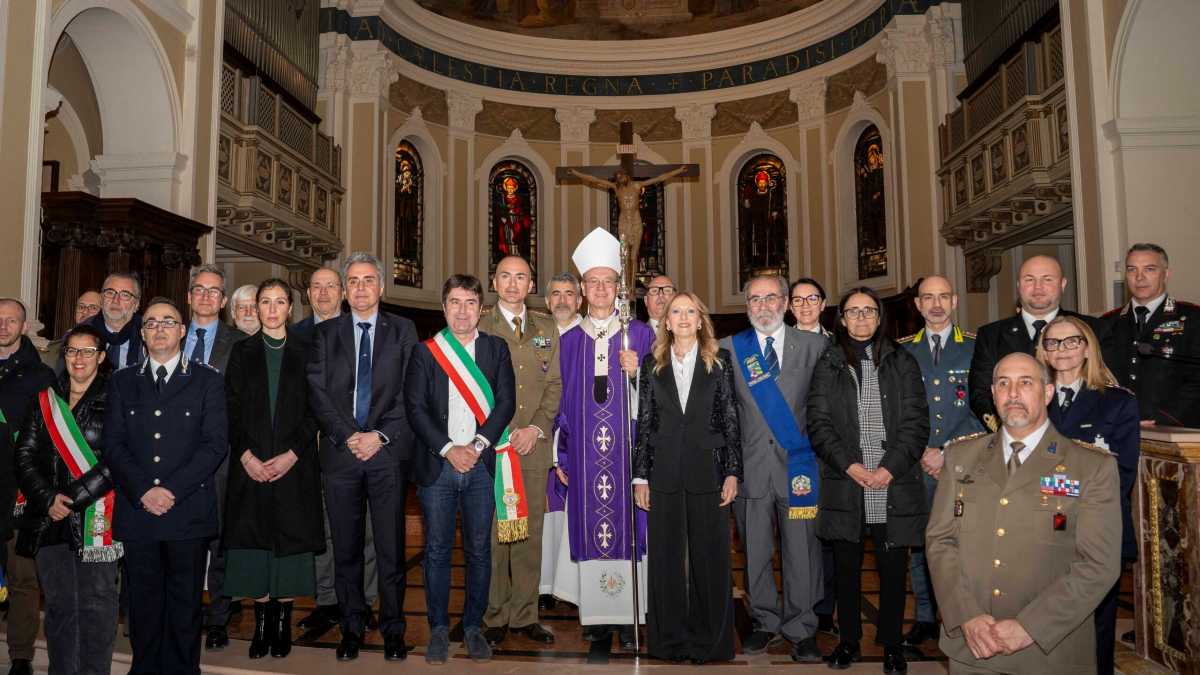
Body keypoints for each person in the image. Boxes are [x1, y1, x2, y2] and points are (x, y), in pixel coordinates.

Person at [926, 352, 1121, 673]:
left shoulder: (1090, 466)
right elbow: (939, 541)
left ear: (1047, 392)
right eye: (1003, 383)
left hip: (1050, 649)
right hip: (974, 645)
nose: (1013, 393)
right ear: (992, 394)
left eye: (1025, 383)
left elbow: (1098, 565)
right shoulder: (961, 457)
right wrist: (966, 615)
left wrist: (1030, 626)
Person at [103, 297, 228, 675]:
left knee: (185, 602)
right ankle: (145, 667)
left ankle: (182, 669)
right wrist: (144, 490)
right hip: (139, 511)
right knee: (142, 601)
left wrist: (170, 490)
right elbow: (114, 444)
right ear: (142, 334)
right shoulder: (123, 381)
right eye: (152, 323)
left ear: (182, 330)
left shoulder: (207, 380)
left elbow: (214, 444)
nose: (160, 329)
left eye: (168, 322)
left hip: (186, 511)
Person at [807, 287, 930, 673]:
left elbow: (916, 423)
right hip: (848, 480)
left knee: (893, 570)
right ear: (841, 319)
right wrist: (851, 466)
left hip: (892, 480)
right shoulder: (827, 362)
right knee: (846, 569)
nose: (861, 318)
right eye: (853, 312)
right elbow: (819, 423)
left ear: (880, 317)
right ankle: (849, 642)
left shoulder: (902, 361)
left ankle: (892, 642)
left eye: (869, 311)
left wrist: (888, 468)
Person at [306, 252, 416, 662]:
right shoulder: (326, 333)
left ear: (381, 287)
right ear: (345, 289)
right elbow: (317, 391)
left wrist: (379, 436)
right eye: (353, 281)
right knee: (347, 549)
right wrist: (349, 435)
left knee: (390, 549)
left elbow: (410, 390)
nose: (361, 287)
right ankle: (351, 627)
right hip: (341, 454)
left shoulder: (403, 330)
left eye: (369, 280)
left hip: (387, 455)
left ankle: (393, 629)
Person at [550, 227, 654, 650]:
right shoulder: (570, 341)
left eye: (607, 281)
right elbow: (558, 401)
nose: (599, 289)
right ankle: (594, 622)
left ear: (618, 287)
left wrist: (637, 374)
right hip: (585, 460)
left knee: (629, 532)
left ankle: (629, 619)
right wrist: (562, 457)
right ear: (580, 290)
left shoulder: (641, 335)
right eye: (591, 282)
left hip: (627, 461)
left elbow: (658, 402)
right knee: (588, 531)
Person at [406, 274, 516, 664]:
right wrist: (450, 448)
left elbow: (506, 403)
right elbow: (415, 409)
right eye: (455, 302)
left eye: (470, 302)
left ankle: (472, 627)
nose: (462, 311)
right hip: (438, 466)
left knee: (479, 553)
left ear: (481, 308)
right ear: (444, 306)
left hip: (483, 466)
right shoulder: (426, 352)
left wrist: (477, 445)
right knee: (435, 551)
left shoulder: (496, 348)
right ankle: (437, 627)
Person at [718, 275, 827, 662]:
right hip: (750, 469)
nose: (762, 306)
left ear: (785, 302)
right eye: (754, 299)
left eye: (770, 298)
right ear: (746, 305)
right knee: (756, 550)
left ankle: (802, 626)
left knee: (802, 551)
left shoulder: (816, 346)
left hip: (799, 468)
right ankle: (763, 620)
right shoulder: (728, 349)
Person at [632, 291, 742, 663]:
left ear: (700, 320)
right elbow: (645, 422)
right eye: (675, 311)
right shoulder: (651, 364)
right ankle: (668, 642)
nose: (682, 318)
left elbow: (730, 419)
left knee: (710, 558)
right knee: (664, 560)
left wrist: (732, 471)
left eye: (689, 312)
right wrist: (639, 477)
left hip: (708, 470)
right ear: (665, 321)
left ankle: (711, 643)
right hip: (662, 471)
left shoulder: (720, 361)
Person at [222, 279, 323, 660]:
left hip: (294, 465)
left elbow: (317, 408)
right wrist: (246, 456)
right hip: (250, 464)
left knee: (290, 545)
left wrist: (293, 454)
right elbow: (228, 408)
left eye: (280, 302)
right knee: (254, 544)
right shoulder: (241, 351)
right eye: (266, 301)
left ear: (290, 309)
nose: (272, 308)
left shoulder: (308, 350)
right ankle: (261, 624)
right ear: (258, 307)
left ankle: (282, 623)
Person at [14, 325, 119, 675]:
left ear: (101, 358)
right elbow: (24, 455)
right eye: (72, 351)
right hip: (49, 519)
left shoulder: (118, 398)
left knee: (97, 607)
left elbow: (118, 459)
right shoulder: (43, 399)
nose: (78, 358)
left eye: (88, 351)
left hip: (96, 518)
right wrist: (47, 499)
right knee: (58, 608)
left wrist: (71, 499)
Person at [1036, 316, 1139, 675]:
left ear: (1086, 347)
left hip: (1095, 530)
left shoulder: (1118, 403)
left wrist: (1058, 493)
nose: (1061, 350)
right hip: (1038, 529)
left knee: (1097, 625)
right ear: (1043, 351)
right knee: (1043, 620)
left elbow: (1120, 474)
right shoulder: (1029, 401)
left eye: (1071, 342)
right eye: (1053, 342)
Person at [898, 275, 984, 646]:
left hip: (963, 462)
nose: (935, 304)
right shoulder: (901, 351)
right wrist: (919, 451)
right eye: (927, 297)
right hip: (916, 464)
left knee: (963, 543)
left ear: (955, 302)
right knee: (920, 542)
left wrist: (948, 450)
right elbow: (895, 410)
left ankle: (961, 614)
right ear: (917, 305)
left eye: (943, 296)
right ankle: (925, 616)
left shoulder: (978, 349)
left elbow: (985, 408)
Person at [291, 265, 378, 633]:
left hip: (359, 445)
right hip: (308, 449)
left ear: (342, 293)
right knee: (323, 527)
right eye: (316, 287)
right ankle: (327, 599)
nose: (324, 293)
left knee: (367, 529)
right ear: (307, 294)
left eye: (331, 286)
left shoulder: (360, 330)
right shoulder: (293, 336)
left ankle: (363, 599)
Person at [480, 257, 562, 646]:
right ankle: (495, 614)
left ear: (532, 285)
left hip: (533, 446)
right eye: (506, 277)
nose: (513, 284)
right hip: (494, 447)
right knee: (497, 533)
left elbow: (554, 385)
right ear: (494, 282)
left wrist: (536, 429)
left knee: (530, 533)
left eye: (522, 277)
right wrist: (502, 433)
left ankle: (526, 614)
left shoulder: (547, 328)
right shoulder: (480, 325)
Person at [183, 264, 246, 650]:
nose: (205, 297)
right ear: (189, 297)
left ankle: (220, 618)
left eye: (213, 292)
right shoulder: (166, 335)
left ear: (223, 301)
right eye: (199, 290)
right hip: (176, 458)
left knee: (222, 540)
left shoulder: (239, 343)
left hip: (223, 458)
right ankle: (185, 615)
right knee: (183, 542)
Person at [969, 255, 1100, 432]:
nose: (1038, 287)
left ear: (1062, 284)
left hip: (1079, 437)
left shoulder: (1093, 329)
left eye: (1047, 279)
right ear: (1018, 286)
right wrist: (1011, 429)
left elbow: (1101, 385)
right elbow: (981, 394)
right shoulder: (991, 335)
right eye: (1029, 279)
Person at [0, 298, 57, 675]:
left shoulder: (41, 376)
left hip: (18, 493)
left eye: (11, 320)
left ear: (24, 327)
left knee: (22, 578)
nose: (3, 326)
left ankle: (21, 655)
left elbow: (50, 438)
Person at [1101, 243, 1200, 428]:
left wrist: (1162, 420)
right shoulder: (1108, 323)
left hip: (1176, 430)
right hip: (1118, 428)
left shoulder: (1192, 319)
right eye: (1132, 270)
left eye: (1149, 269)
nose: (1140, 277)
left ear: (1166, 274)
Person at [538, 271, 582, 610]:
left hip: (579, 439)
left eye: (569, 294)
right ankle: (545, 584)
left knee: (575, 513)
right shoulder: (537, 334)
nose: (563, 300)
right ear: (547, 300)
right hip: (540, 437)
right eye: (556, 294)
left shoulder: (589, 335)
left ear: (579, 300)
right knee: (547, 514)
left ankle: (576, 587)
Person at [88, 273, 145, 369]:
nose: (116, 300)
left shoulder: (149, 334)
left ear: (136, 305)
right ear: (101, 299)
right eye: (110, 293)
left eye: (125, 295)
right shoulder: (82, 331)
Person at [41, 290, 103, 370]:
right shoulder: (54, 348)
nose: (85, 312)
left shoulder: (108, 346)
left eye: (93, 308)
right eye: (81, 307)